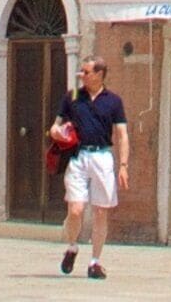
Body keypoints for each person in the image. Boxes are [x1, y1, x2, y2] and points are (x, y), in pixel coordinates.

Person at [56, 54, 131, 280]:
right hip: (79, 156)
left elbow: (122, 134)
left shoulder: (113, 101)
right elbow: (56, 125)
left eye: (86, 72)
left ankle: (95, 262)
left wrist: (124, 165)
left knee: (100, 211)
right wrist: (55, 132)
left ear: (99, 74)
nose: (82, 75)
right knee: (76, 209)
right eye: (81, 71)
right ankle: (72, 246)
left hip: (102, 156)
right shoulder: (73, 96)